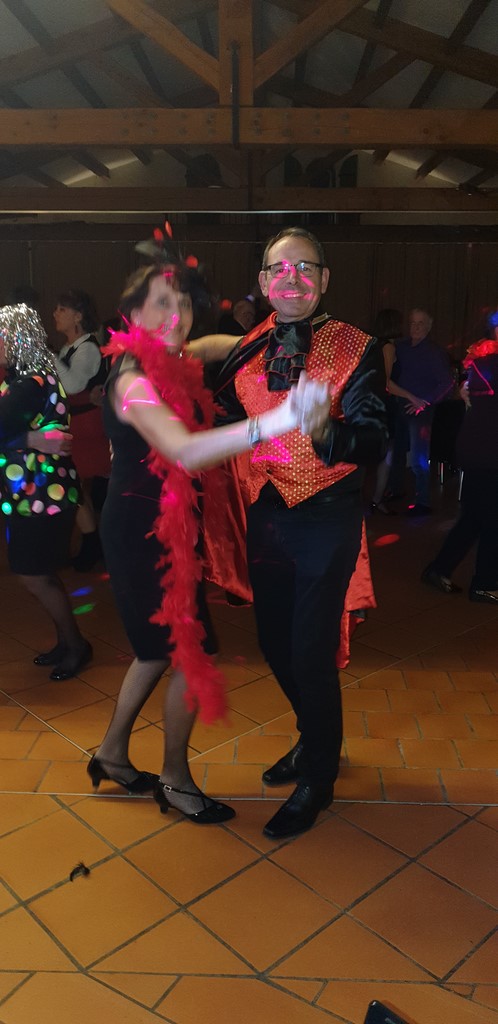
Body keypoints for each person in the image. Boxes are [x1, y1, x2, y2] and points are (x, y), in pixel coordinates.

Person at [89, 254, 324, 823]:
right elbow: (184, 449)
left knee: (154, 652)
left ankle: (112, 754)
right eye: (161, 304)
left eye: (184, 303)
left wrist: (270, 334)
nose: (177, 315)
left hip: (165, 527)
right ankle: (174, 779)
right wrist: (278, 420)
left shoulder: (171, 358)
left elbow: (214, 344)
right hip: (141, 533)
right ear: (132, 315)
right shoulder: (132, 381)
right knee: (191, 654)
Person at [210, 226, 387, 839]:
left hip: (327, 515)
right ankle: (316, 738)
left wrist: (325, 430)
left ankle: (319, 775)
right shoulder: (247, 349)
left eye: (305, 268)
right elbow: (226, 412)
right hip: (267, 512)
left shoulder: (356, 346)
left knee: (311, 650)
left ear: (324, 279)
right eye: (279, 269)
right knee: (273, 642)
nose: (292, 279)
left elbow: (374, 440)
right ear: (263, 282)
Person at [0, 303, 92, 680]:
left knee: (34, 575)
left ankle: (76, 646)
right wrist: (31, 439)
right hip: (36, 494)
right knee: (41, 574)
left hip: (41, 496)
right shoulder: (27, 379)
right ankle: (67, 642)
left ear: (17, 339)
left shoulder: (30, 383)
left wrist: (27, 439)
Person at [422, 312, 498, 604]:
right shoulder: (488, 363)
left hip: (479, 449)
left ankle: (439, 570)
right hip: (487, 452)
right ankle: (484, 583)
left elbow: (469, 395)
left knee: (476, 517)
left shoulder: (482, 363)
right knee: (491, 520)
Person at [53, 289, 110, 570]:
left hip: (88, 426)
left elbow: (73, 384)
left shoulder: (87, 348)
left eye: (61, 309)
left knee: (74, 484)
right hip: (77, 424)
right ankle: (93, 542)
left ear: (78, 316)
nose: (55, 314)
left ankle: (94, 543)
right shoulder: (71, 347)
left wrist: (47, 356)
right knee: (75, 486)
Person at [387, 308, 453, 515]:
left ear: (429, 326)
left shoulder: (433, 352)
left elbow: (447, 382)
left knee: (418, 457)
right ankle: (396, 490)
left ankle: (423, 501)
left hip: (420, 412)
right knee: (397, 453)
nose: (415, 327)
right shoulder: (402, 347)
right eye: (413, 323)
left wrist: (425, 402)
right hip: (400, 407)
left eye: (420, 323)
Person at [369, 308, 403, 515]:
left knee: (375, 455)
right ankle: (377, 499)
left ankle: (374, 498)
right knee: (385, 456)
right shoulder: (388, 347)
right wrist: (412, 397)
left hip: (372, 404)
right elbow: (387, 383)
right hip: (383, 405)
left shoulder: (372, 344)